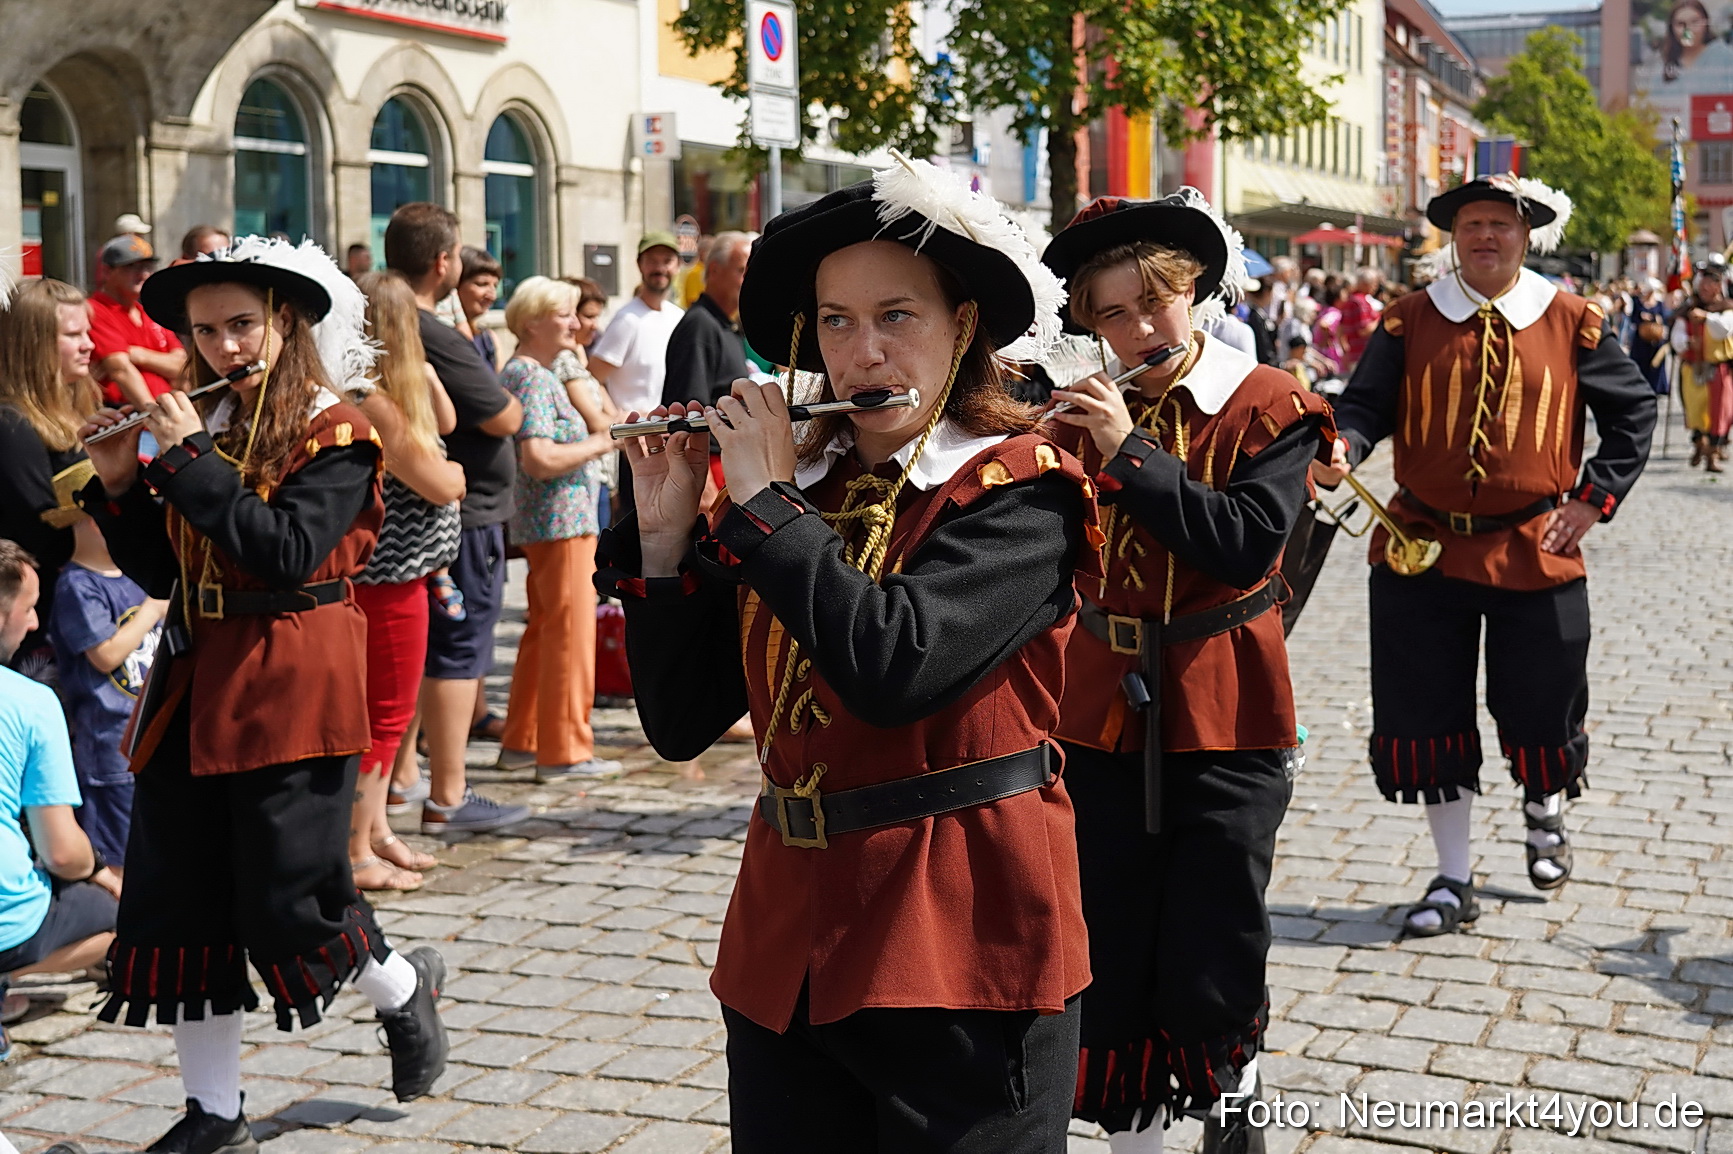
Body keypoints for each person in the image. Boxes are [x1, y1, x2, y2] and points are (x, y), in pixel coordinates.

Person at [597, 158, 1095, 1153]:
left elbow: (894, 663)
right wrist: (661, 542)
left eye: (895, 316)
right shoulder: (799, 491)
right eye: (835, 322)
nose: (862, 353)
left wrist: (766, 507)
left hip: (957, 931)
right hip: (787, 936)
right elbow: (680, 720)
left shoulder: (1019, 490)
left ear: (962, 324)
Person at [75, 236, 450, 1149]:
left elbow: (285, 550)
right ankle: (213, 1113)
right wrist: (121, 488)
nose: (225, 348)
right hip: (195, 676)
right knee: (181, 900)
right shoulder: (215, 424)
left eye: (242, 325)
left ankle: (404, 987)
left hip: (293, 678)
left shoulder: (338, 432)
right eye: (206, 333)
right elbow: (166, 567)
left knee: (292, 900)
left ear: (285, 322)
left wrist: (185, 458)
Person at [1039, 190, 1336, 1154]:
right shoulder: (1077, 409)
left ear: (1193, 293)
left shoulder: (1270, 402)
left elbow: (1244, 542)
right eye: (1112, 315)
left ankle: (1231, 1098)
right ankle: (1134, 1135)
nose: (1137, 331)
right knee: (1108, 934)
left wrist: (1125, 452)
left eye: (1152, 304)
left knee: (1216, 936)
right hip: (1097, 705)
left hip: (1225, 703)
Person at [1326, 175, 1656, 937]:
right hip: (1421, 546)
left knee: (1543, 699)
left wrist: (1591, 499)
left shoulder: (1571, 319)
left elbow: (1632, 410)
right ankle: (1452, 877)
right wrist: (1344, 442)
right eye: (1471, 224)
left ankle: (1543, 811)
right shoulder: (1408, 319)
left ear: (1524, 236)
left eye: (1499, 225)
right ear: (1453, 236)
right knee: (1426, 711)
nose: (1485, 236)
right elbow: (1364, 405)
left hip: (1533, 545)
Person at [383, 202, 530, 836]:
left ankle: (402, 779)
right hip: (460, 519)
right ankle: (447, 794)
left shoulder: (398, 326)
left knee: (427, 649)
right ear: (444, 262)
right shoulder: (432, 332)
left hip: (437, 518)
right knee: (458, 650)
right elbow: (505, 416)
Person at [350, 271, 466, 892]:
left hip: (405, 575)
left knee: (390, 714)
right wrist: (457, 475)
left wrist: (424, 372)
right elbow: (443, 481)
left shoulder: (394, 389)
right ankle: (355, 848)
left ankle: (374, 832)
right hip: (386, 580)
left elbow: (446, 421)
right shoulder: (369, 398)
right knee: (384, 713)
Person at [0, 541, 121, 1062]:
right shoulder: (30, 700)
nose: (34, 625)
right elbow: (63, 852)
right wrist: (103, 872)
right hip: (7, 920)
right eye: (29, 609)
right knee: (127, 918)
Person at [495, 277, 619, 781]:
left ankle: (524, 741)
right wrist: (602, 442)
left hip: (554, 521)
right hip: (559, 520)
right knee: (568, 635)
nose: (574, 322)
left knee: (546, 631)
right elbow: (540, 458)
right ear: (532, 322)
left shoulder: (529, 371)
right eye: (564, 313)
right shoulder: (532, 375)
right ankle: (564, 751)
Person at [50, 515, 165, 872]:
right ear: (90, 522)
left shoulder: (135, 575)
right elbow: (105, 655)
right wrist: (152, 610)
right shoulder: (76, 585)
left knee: (154, 851)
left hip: (150, 736)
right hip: (109, 749)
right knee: (119, 858)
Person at [0, 278, 99, 678]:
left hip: (75, 598)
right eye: (73, 335)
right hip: (36, 616)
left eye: (87, 332)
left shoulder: (70, 410)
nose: (89, 344)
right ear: (34, 344)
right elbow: (41, 531)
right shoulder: (11, 424)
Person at [589, 231, 684, 513]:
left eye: (667, 260)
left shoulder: (678, 317)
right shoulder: (627, 320)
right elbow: (592, 378)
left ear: (678, 266)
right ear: (639, 265)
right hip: (634, 447)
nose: (660, 268)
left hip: (670, 440)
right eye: (652, 260)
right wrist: (616, 418)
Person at [86, 234, 185, 410]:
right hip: (124, 413)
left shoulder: (149, 312)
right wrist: (153, 415)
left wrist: (137, 354)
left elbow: (182, 367)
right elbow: (121, 370)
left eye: (148, 267)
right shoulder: (95, 310)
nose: (144, 274)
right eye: (131, 267)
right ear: (107, 272)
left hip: (164, 409)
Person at [662, 231, 752, 410]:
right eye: (742, 271)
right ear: (714, 270)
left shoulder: (725, 325)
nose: (749, 281)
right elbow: (690, 413)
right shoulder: (699, 326)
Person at [1671, 258, 1733, 471]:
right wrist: (1687, 342)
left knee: (1719, 413)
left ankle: (1713, 454)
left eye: (1710, 284)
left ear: (1718, 286)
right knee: (1695, 411)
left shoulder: (1726, 308)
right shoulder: (1688, 308)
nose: (1705, 288)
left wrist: (1706, 317)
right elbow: (1676, 336)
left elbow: (1724, 329)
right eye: (1703, 284)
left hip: (1718, 369)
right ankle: (1699, 444)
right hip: (1693, 368)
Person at [456, 246, 502, 370]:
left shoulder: (489, 339)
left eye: (495, 286)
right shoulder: (438, 336)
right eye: (482, 284)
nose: (492, 296)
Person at [1629, 277, 1671, 396]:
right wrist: (1641, 317)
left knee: (1655, 364)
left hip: (1655, 339)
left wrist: (1657, 319)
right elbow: (1633, 319)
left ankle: (1655, 387)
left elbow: (1663, 319)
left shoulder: (1659, 304)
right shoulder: (1638, 302)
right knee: (1640, 363)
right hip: (1641, 339)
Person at [1337, 266, 1383, 375]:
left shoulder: (1352, 300)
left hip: (1356, 355)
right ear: (1365, 283)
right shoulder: (1360, 302)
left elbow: (1340, 329)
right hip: (1362, 356)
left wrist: (1345, 350)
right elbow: (1364, 330)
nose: (1376, 287)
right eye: (1374, 283)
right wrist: (1383, 318)